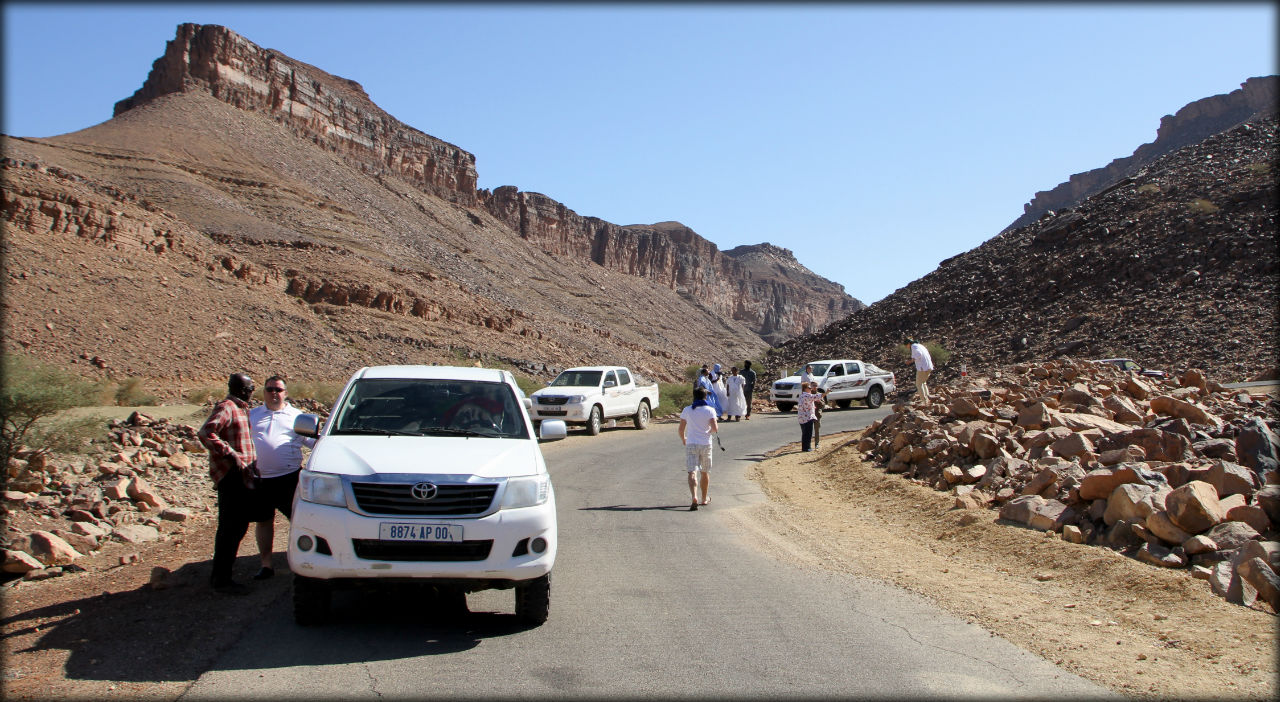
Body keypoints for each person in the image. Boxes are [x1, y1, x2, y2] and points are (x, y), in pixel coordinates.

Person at [247, 375, 315, 580]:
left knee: (298, 520)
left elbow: (312, 443)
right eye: (270, 390)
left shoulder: (297, 416)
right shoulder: (252, 415)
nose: (274, 393)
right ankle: (266, 564)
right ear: (264, 392)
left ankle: (301, 560)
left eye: (278, 390)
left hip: (289, 479)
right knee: (264, 521)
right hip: (260, 479)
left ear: (286, 393)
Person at [198, 372, 259, 595]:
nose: (252, 390)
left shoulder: (241, 408)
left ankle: (223, 575)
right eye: (250, 387)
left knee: (238, 525)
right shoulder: (227, 407)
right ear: (241, 389)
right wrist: (230, 454)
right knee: (230, 527)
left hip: (242, 475)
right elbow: (206, 432)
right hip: (231, 476)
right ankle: (221, 580)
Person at [678, 387, 719, 510]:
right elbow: (715, 428)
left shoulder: (687, 410)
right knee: (705, 472)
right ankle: (704, 498)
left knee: (692, 471)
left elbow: (681, 429)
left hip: (691, 443)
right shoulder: (710, 410)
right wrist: (708, 432)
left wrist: (684, 439)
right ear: (705, 397)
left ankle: (694, 496)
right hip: (706, 443)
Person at [796, 381, 824, 452]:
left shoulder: (802, 395)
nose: (811, 388)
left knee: (805, 433)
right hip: (807, 417)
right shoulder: (807, 395)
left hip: (802, 417)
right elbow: (816, 397)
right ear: (805, 388)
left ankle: (805, 447)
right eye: (809, 387)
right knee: (808, 434)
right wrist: (826, 392)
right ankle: (807, 448)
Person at [909, 337, 934, 403]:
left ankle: (924, 401)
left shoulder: (913, 346)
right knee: (923, 382)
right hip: (929, 366)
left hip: (922, 368)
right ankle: (928, 398)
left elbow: (919, 354)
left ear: (908, 344)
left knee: (918, 384)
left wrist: (911, 361)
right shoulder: (921, 345)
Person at [809, 381, 828, 449]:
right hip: (809, 415)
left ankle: (817, 443)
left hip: (817, 414)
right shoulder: (808, 394)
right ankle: (808, 444)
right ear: (810, 386)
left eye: (816, 385)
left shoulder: (820, 395)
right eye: (813, 385)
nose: (815, 387)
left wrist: (819, 402)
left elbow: (823, 405)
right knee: (809, 430)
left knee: (817, 430)